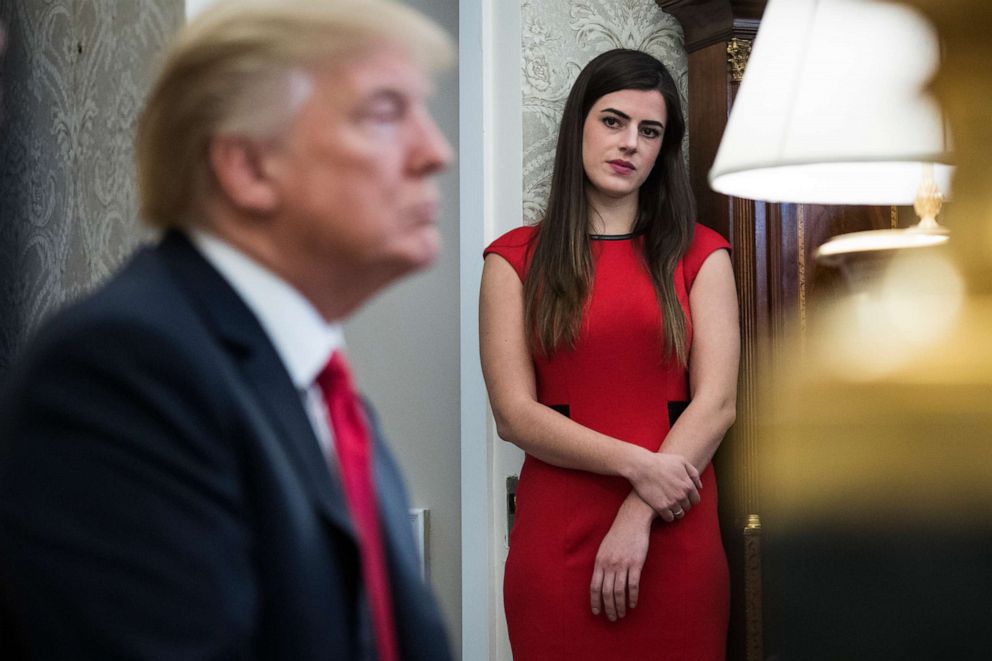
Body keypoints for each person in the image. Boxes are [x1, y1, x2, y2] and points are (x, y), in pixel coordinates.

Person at [0, 1, 454, 659]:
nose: (436, 151)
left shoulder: (330, 392)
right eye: (385, 113)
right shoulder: (123, 371)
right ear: (247, 165)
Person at [480, 48, 740, 659]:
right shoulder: (513, 259)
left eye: (649, 131)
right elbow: (515, 415)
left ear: (662, 150)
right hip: (560, 539)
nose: (629, 143)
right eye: (613, 120)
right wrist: (641, 467)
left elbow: (718, 404)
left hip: (677, 526)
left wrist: (639, 511)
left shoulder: (702, 253)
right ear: (578, 128)